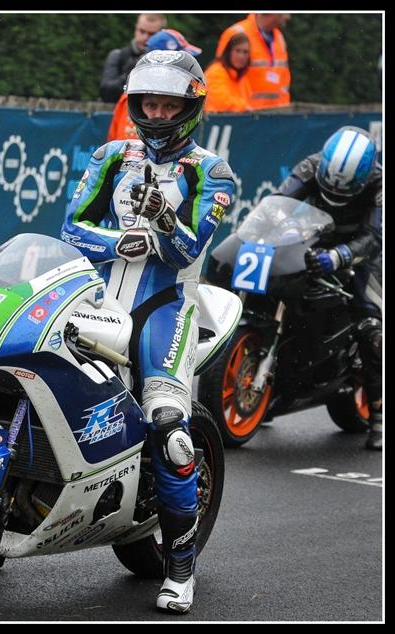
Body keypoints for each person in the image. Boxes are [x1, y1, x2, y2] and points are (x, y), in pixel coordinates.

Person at [62, 50, 235, 614]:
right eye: (149, 103)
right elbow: (71, 224)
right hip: (100, 298)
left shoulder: (211, 171)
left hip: (168, 308)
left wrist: (163, 219)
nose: (158, 114)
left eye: (169, 105)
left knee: (169, 428)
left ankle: (182, 565)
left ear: (190, 108)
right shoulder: (111, 154)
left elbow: (190, 248)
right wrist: (118, 243)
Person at [277, 126, 382, 450]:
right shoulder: (311, 165)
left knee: (369, 320)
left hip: (363, 251)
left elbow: (376, 236)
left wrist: (341, 255)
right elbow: (277, 203)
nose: (335, 193)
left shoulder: (379, 183)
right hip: (316, 239)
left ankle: (379, 411)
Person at [107, 29, 201, 142]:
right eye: (151, 105)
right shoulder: (133, 96)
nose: (159, 114)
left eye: (171, 107)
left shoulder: (187, 93)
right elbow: (129, 148)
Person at [215, 13, 291, 110]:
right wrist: (241, 107)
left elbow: (284, 78)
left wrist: (284, 109)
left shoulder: (279, 37)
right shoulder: (236, 32)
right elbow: (221, 75)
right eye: (284, 13)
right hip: (245, 115)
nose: (288, 17)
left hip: (276, 114)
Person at [99, 13, 167, 103]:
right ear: (136, 29)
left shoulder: (169, 60)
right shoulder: (119, 56)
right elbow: (106, 93)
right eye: (142, 31)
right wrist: (130, 73)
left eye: (152, 34)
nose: (145, 37)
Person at [203, 32, 252, 113]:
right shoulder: (216, 72)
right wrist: (245, 107)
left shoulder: (240, 76)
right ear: (229, 52)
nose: (241, 56)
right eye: (238, 51)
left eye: (245, 52)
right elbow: (221, 103)